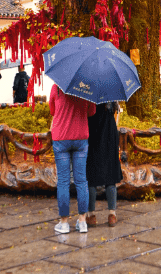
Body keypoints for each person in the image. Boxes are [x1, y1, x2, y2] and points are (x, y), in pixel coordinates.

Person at [49, 85, 96, 234]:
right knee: (81, 180)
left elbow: (52, 111)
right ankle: (82, 222)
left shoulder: (56, 88)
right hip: (81, 137)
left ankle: (63, 223)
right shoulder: (86, 88)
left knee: (63, 180)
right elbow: (92, 111)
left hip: (61, 138)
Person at [86, 101, 122, 227]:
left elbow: (88, 112)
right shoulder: (110, 90)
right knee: (110, 174)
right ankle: (112, 214)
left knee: (91, 175)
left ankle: (91, 215)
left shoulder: (88, 91)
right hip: (109, 133)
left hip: (92, 131)